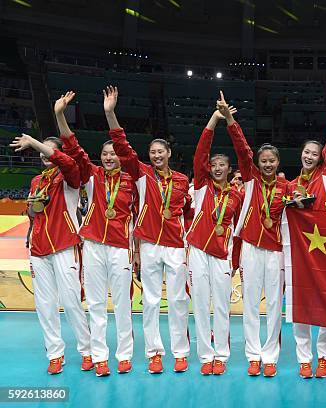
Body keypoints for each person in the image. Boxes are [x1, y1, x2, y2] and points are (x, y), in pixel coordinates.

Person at [105, 86, 193, 374]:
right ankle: (155, 353)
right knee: (152, 301)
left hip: (176, 246)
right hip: (150, 246)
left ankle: (180, 353)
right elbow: (122, 146)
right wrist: (110, 113)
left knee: (179, 300)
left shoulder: (182, 180)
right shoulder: (140, 172)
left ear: (169, 153)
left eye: (160, 151)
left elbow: (190, 210)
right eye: (152, 152)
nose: (156, 155)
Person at [55, 91, 136, 377]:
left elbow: (125, 146)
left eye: (114, 154)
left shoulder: (131, 179)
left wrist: (109, 113)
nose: (110, 157)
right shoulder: (92, 175)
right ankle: (100, 356)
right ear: (100, 158)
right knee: (97, 304)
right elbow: (73, 147)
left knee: (123, 304)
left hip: (119, 248)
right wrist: (60, 115)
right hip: (92, 246)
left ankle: (124, 355)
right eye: (106, 154)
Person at [219, 91, 289, 378]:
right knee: (250, 303)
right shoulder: (250, 179)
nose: (268, 164)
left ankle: (270, 355)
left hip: (275, 250)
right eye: (264, 160)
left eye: (272, 160)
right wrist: (229, 119)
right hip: (249, 246)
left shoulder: (288, 188)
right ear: (258, 163)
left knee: (274, 304)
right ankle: (253, 355)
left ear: (278, 162)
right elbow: (242, 148)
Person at [10, 133, 92, 375]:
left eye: (48, 150)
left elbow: (67, 162)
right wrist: (32, 209)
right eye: (40, 151)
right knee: (44, 304)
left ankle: (86, 350)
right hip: (38, 248)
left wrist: (35, 142)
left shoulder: (69, 176)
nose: (43, 154)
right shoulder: (37, 181)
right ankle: (55, 354)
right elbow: (33, 214)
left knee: (71, 301)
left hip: (64, 244)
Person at [287, 78, 326, 379]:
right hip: (299, 253)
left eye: (315, 153)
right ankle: (304, 358)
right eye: (306, 152)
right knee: (301, 303)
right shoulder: (290, 184)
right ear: (301, 154)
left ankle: (324, 357)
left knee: (325, 302)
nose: (310, 156)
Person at [187, 106, 242, 376]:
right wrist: (214, 120)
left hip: (222, 255)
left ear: (230, 169)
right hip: (197, 251)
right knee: (199, 303)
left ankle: (221, 354)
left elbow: (241, 228)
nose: (217, 168)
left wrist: (236, 259)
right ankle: (205, 356)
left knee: (221, 305)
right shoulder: (201, 186)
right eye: (214, 165)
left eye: (223, 165)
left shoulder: (237, 195)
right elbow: (200, 153)